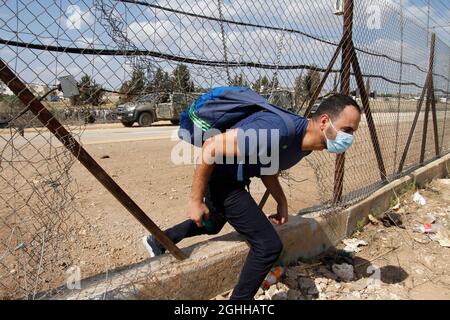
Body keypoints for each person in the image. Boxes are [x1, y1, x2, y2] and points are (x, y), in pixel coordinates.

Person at [142, 92, 361, 300]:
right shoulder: (279, 130)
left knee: (214, 222)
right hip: (221, 178)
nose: (349, 138)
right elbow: (211, 147)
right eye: (347, 129)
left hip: (234, 179)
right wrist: (195, 200)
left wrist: (281, 202)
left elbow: (268, 167)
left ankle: (160, 240)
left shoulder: (306, 145)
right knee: (268, 246)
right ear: (324, 121)